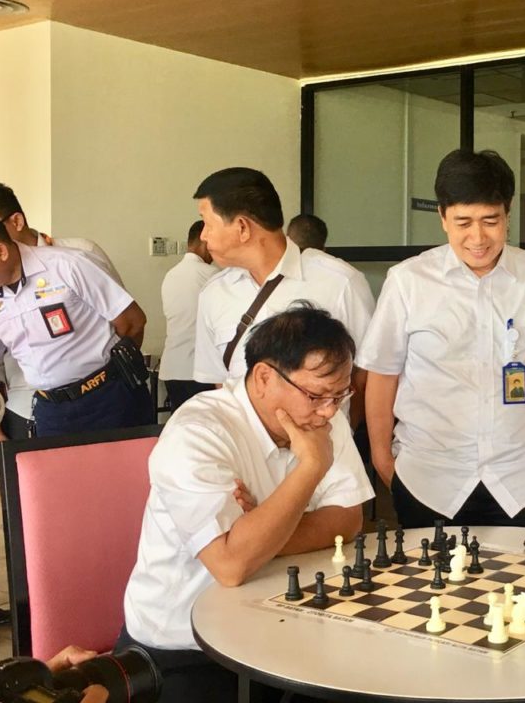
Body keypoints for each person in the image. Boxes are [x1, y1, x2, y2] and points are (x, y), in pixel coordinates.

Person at [119, 305, 373, 703]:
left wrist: (260, 531)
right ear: (264, 378)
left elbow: (348, 519)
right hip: (184, 647)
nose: (329, 410)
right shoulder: (197, 432)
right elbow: (231, 565)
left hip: (283, 624)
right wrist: (311, 467)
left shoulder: (319, 417)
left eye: (340, 396)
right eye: (316, 395)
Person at [359, 149, 525, 527]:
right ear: (442, 217)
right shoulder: (408, 281)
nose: (477, 237)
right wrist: (384, 461)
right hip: (428, 480)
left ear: (508, 214)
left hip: (522, 481)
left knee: (523, 569)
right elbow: (383, 375)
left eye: (490, 221)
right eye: (463, 222)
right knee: (426, 569)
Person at [192, 167, 375, 425]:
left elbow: (366, 374)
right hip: (247, 447)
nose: (203, 236)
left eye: (207, 224)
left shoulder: (341, 283)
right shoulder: (214, 294)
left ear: (242, 227)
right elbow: (220, 381)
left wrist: (343, 432)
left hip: (326, 444)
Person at [0, 222, 151, 437]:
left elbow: (133, 321)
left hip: (109, 400)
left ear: (1, 251)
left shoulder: (67, 265)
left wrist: (115, 374)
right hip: (51, 412)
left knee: (127, 459)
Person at [159, 220, 218, 412]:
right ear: (205, 241)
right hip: (198, 371)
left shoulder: (171, 275)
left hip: (172, 368)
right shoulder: (211, 275)